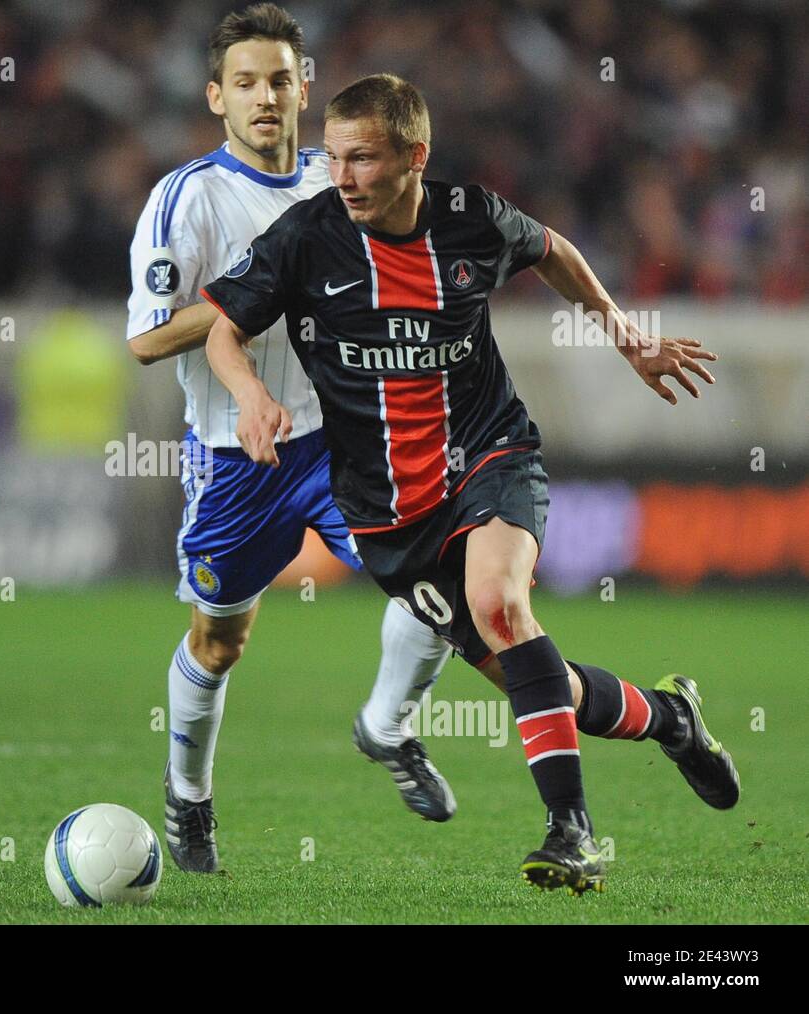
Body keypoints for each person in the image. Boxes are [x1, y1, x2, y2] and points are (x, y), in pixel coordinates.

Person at [202, 72, 740, 894]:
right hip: (386, 514)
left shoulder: (472, 220)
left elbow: (553, 251)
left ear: (415, 157)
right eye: (336, 157)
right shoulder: (305, 238)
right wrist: (249, 395)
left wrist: (627, 333)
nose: (343, 177)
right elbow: (223, 333)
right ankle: (671, 717)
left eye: (364, 159)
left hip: (490, 455)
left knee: (500, 604)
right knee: (542, 685)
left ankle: (574, 834)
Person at [126, 7, 458, 874]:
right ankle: (188, 798)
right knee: (221, 641)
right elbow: (148, 336)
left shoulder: (341, 179)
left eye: (279, 79)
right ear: (216, 98)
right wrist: (253, 296)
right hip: (238, 458)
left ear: (304, 88)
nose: (265, 96)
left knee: (437, 586)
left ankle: (387, 724)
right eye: (245, 83)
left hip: (346, 441)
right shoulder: (186, 199)